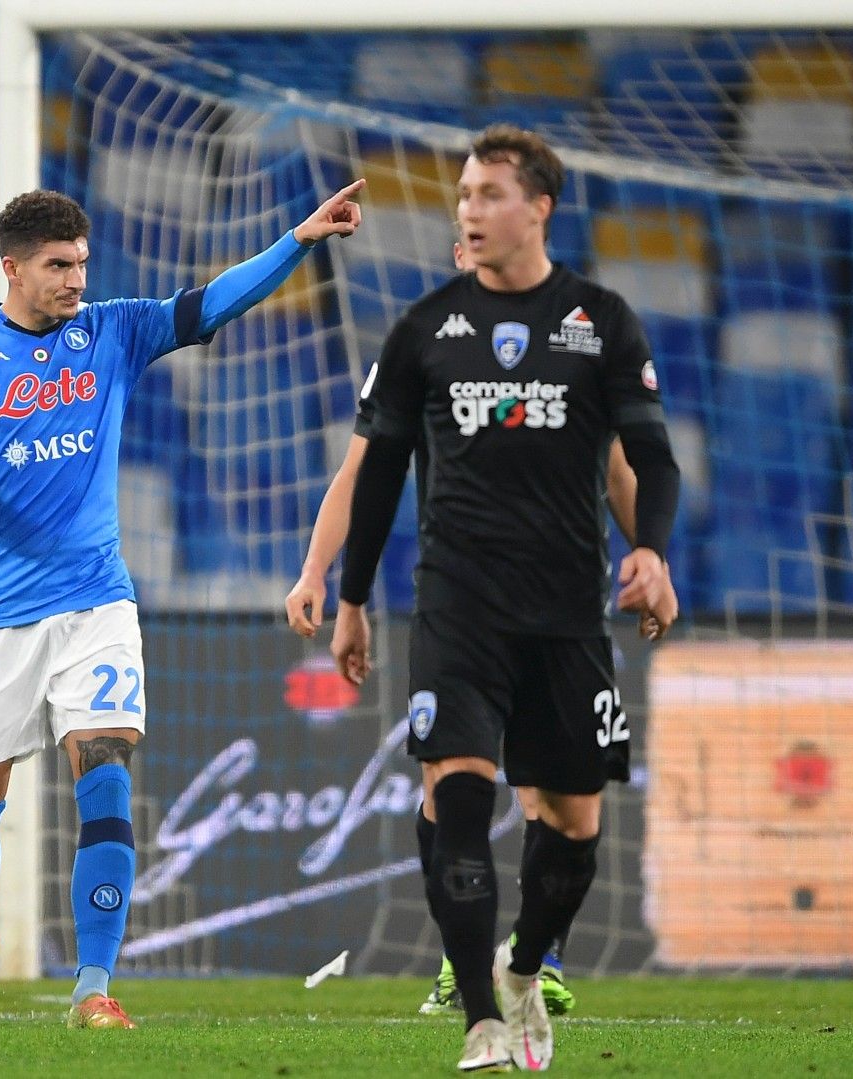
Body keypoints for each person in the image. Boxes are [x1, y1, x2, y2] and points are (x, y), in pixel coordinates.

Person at [0, 181, 365, 1030]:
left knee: (105, 770)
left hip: (96, 602)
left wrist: (299, 239)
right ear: (12, 267)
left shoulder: (111, 328)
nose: (77, 279)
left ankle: (93, 986)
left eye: (82, 262)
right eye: (58, 265)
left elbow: (210, 303)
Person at [332, 125, 679, 1072]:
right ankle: (482, 1017)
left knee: (572, 826)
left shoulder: (602, 322)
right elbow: (379, 474)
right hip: (457, 607)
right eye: (463, 195)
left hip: (567, 611)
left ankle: (526, 968)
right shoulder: (425, 328)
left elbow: (651, 455)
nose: (469, 210)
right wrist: (352, 596)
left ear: (539, 209)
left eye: (488, 193)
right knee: (458, 797)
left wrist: (652, 549)